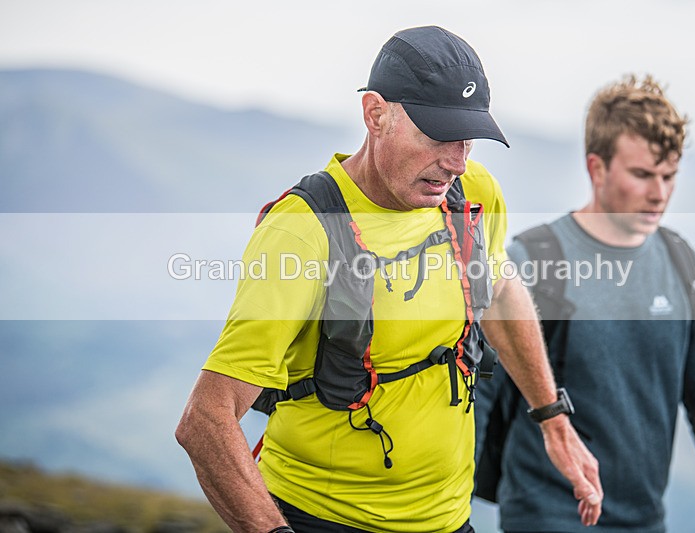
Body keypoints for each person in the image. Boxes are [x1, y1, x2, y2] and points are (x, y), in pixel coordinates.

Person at [175, 26, 603, 533]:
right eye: (438, 135)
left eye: (467, 138)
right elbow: (206, 420)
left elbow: (498, 294)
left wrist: (552, 418)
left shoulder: (469, 194)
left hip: (449, 518)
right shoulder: (303, 231)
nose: (456, 161)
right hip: (321, 518)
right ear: (375, 113)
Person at [474, 75, 695, 533]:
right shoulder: (534, 261)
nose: (659, 193)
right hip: (546, 514)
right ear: (597, 168)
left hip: (645, 518)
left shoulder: (682, 266)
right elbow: (479, 393)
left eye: (669, 176)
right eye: (642, 175)